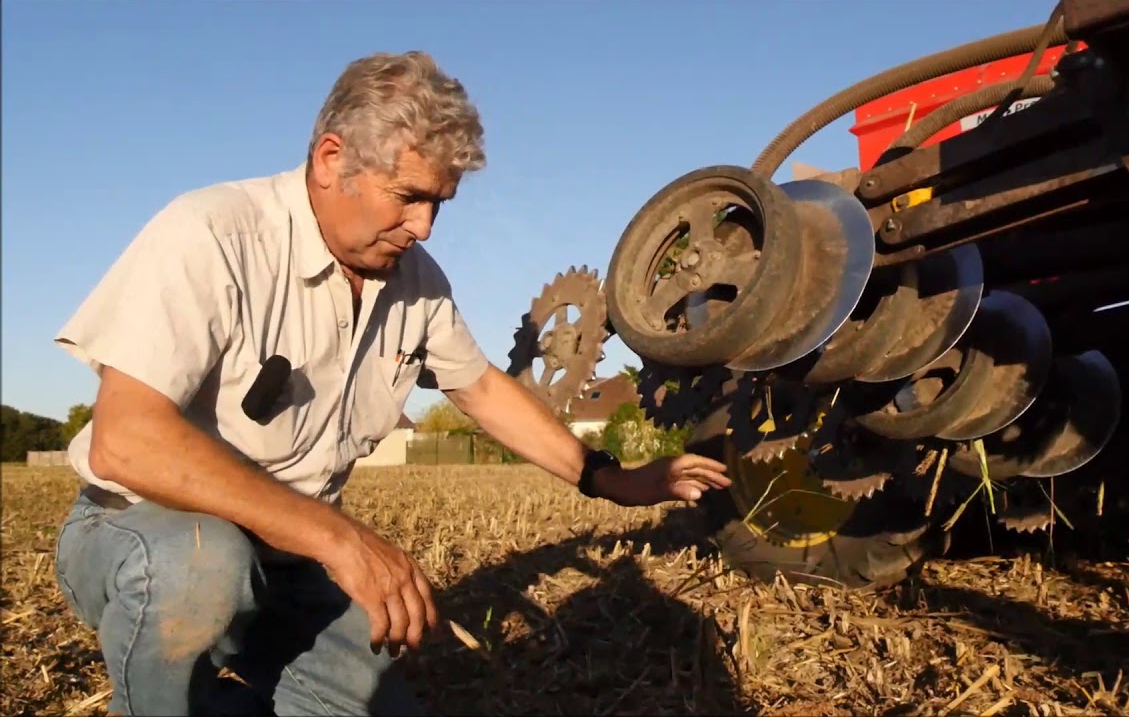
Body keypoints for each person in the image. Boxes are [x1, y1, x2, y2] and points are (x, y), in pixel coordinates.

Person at [51, 50, 730, 717]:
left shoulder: (417, 284)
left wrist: (612, 479)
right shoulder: (213, 232)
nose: (424, 227)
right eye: (409, 197)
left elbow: (482, 389)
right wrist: (339, 539)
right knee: (199, 566)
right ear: (330, 160)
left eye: (439, 203)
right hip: (142, 531)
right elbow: (126, 440)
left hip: (288, 559)